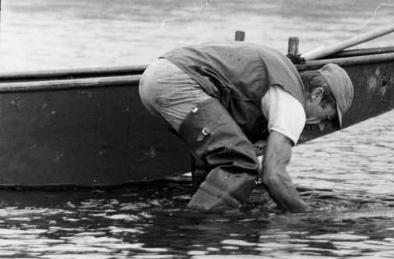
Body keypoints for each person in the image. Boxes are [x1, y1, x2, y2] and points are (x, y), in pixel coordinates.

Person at [139, 42, 353, 213]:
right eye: (328, 117)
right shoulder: (293, 104)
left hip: (157, 74)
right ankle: (196, 224)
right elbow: (273, 175)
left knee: (217, 158)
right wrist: (305, 215)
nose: (323, 126)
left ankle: (200, 216)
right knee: (240, 164)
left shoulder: (281, 76)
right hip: (179, 82)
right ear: (316, 95)